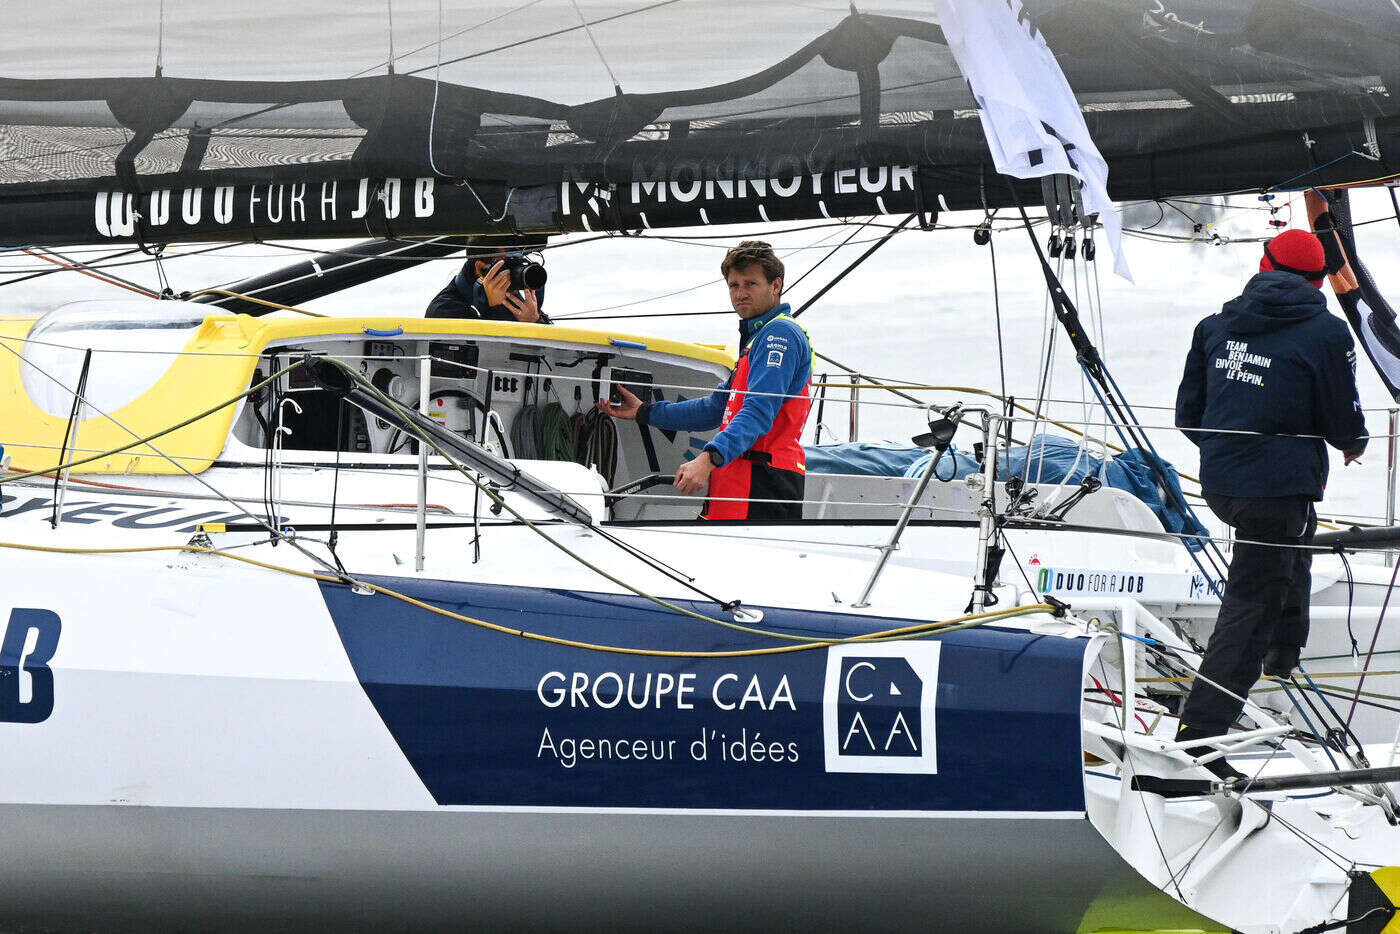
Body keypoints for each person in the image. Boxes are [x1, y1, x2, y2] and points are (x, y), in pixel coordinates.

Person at [1174, 227, 1367, 777]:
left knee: (1292, 535)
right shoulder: (1326, 332)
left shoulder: (1214, 326)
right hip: (1275, 489)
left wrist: (1231, 452)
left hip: (1223, 485)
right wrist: (1354, 444)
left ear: (1262, 266)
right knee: (1250, 606)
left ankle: (1285, 652)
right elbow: (1340, 419)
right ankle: (1199, 740)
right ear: (1317, 282)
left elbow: (1189, 414)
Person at [596, 240, 813, 520]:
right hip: (738, 489)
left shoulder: (778, 335)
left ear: (775, 285)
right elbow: (714, 408)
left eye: (750, 284)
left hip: (761, 486)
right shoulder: (758, 339)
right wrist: (644, 412)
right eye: (734, 286)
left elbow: (758, 412)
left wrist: (707, 459)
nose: (740, 294)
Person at [425, 236, 550, 323]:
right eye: (509, 264)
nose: (515, 271)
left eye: (519, 262)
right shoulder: (443, 311)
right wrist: (495, 310)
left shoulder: (514, 301)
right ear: (481, 269)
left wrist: (535, 320)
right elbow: (486, 356)